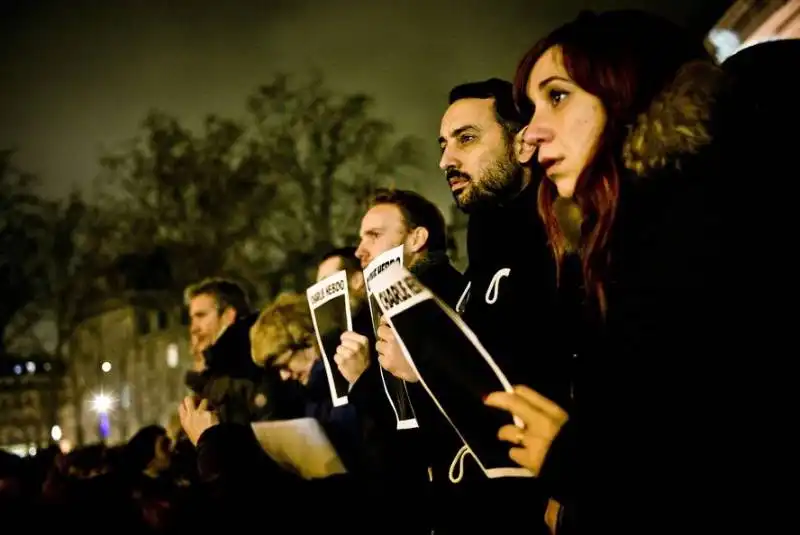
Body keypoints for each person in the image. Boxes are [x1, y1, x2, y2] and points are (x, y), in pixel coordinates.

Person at [484, 10, 786, 532]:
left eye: (557, 95)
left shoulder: (716, 227)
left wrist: (573, 463)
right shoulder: (619, 240)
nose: (530, 134)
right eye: (532, 107)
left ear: (626, 90)